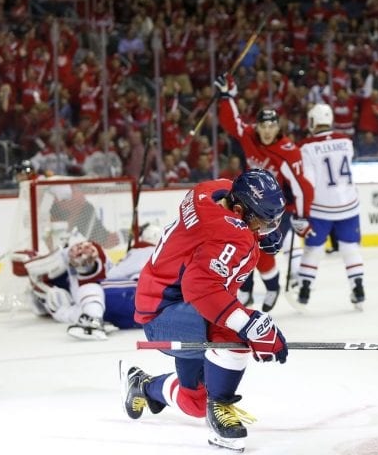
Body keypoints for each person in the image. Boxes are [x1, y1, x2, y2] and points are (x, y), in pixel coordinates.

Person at [120, 169, 288, 452]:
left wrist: (256, 233)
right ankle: (221, 409)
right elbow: (201, 287)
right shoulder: (230, 235)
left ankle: (143, 385)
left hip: (166, 301)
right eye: (262, 221)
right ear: (239, 211)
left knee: (195, 402)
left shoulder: (213, 190)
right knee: (233, 332)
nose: (266, 228)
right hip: (168, 314)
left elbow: (213, 239)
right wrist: (251, 326)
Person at [214, 73, 314, 312]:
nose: (267, 131)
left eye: (272, 126)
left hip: (278, 209)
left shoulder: (288, 151)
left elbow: (303, 187)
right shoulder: (250, 136)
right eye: (263, 126)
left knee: (263, 248)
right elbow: (232, 123)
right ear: (257, 126)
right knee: (240, 244)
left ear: (278, 127)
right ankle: (245, 289)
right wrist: (226, 97)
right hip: (250, 202)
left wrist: (302, 215)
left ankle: (272, 286)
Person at [20, 224, 161, 339]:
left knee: (93, 286)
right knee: (93, 298)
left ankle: (94, 321)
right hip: (149, 314)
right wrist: (64, 311)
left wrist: (63, 311)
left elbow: (107, 275)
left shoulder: (147, 250)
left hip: (144, 297)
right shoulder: (153, 254)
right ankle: (93, 320)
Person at [295, 104, 365, 309]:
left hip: (321, 207)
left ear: (313, 121)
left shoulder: (306, 147)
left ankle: (304, 289)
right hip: (349, 204)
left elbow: (308, 183)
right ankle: (358, 288)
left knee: (313, 248)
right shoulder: (346, 141)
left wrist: (301, 211)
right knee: (349, 248)